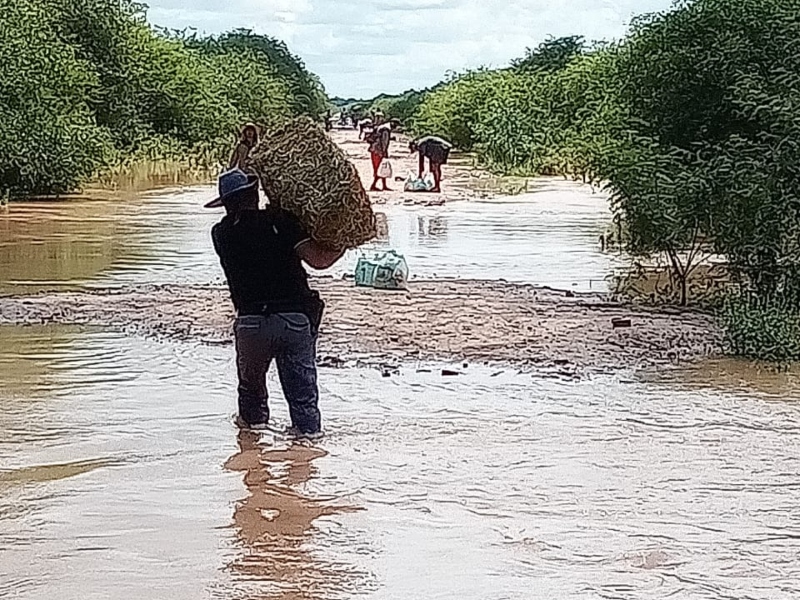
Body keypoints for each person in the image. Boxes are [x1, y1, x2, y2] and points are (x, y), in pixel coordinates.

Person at [206, 169, 344, 440]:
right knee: (303, 401)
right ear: (254, 194)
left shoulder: (221, 233)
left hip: (250, 323)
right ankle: (307, 449)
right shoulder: (280, 221)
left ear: (226, 204)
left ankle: (251, 451)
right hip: (293, 320)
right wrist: (344, 243)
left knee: (251, 399)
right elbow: (319, 260)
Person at [366, 119, 392, 192]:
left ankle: (383, 185)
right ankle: (373, 185)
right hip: (378, 152)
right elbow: (384, 143)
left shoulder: (380, 128)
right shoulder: (386, 131)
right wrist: (384, 152)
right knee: (379, 168)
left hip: (374, 150)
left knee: (381, 168)